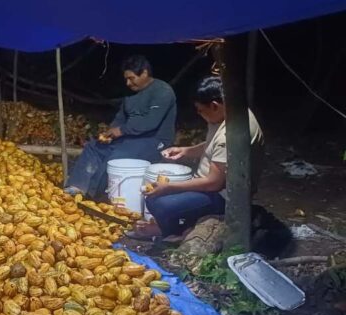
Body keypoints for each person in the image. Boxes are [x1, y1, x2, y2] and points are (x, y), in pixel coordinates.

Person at [131, 76, 265, 239]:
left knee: (157, 201)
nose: (199, 114)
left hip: (224, 198)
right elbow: (212, 146)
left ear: (215, 106)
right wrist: (185, 151)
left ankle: (173, 230)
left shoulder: (230, 135)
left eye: (201, 110)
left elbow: (213, 184)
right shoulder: (230, 111)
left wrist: (169, 187)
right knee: (159, 196)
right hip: (210, 186)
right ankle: (181, 225)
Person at [65, 55, 177, 199]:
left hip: (154, 140)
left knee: (116, 157)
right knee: (94, 147)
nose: (128, 83)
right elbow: (120, 118)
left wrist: (121, 130)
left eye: (131, 78)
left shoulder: (162, 91)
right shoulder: (130, 95)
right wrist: (110, 134)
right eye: (126, 79)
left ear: (144, 73)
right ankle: (77, 186)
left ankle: (96, 195)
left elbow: (151, 121)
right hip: (130, 137)